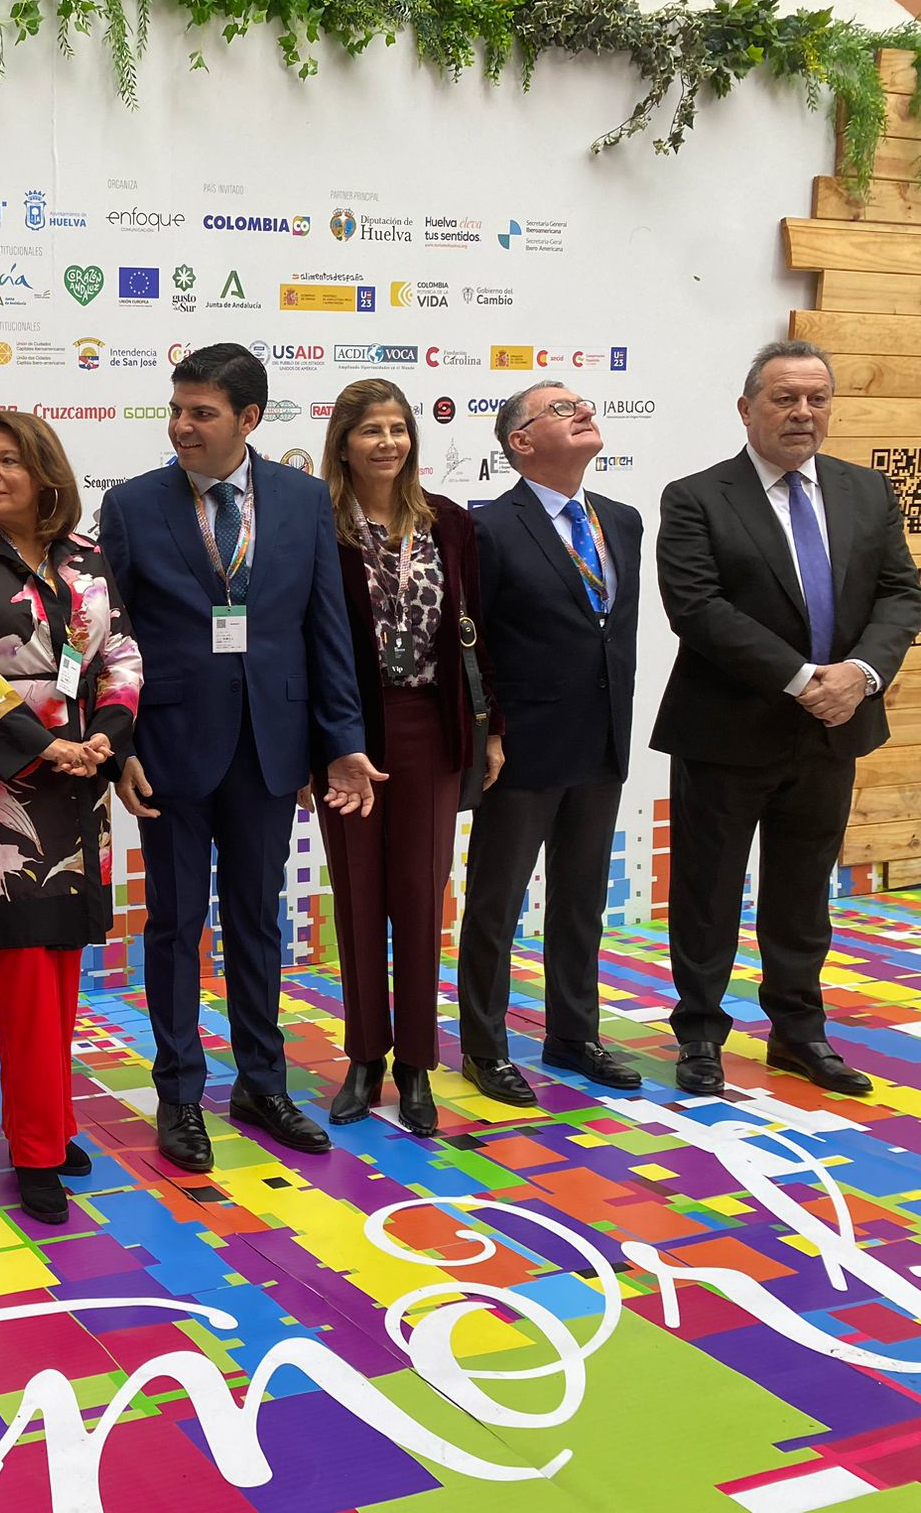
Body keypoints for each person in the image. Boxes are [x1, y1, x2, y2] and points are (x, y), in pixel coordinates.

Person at [98, 343, 383, 1168]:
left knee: (258, 922)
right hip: (170, 750)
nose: (181, 426)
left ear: (249, 419)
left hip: (270, 746)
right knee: (175, 925)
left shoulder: (302, 500)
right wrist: (119, 748)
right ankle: (179, 1095)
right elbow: (110, 639)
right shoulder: (132, 505)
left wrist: (341, 743)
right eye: (176, 410)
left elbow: (326, 630)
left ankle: (262, 1083)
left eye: (202, 413)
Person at [654, 340, 921, 1096]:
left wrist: (860, 675)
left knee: (804, 894)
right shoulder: (696, 497)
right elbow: (697, 608)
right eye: (784, 398)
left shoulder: (867, 490)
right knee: (708, 891)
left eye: (817, 399)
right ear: (747, 409)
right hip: (726, 731)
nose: (803, 413)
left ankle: (799, 1034)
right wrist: (805, 680)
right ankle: (700, 1034)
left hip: (835, 728)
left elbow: (902, 593)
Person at [0, 411, 141, 1221]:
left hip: (79, 787)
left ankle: (46, 1121)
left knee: (62, 970)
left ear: (46, 473)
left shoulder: (85, 556)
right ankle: (35, 1150)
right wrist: (44, 745)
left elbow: (119, 653)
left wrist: (105, 737)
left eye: (9, 459)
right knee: (22, 983)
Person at [312, 380, 501, 1137]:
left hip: (431, 725)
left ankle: (417, 1064)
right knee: (358, 898)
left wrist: (491, 731)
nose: (388, 442)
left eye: (398, 428)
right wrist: (320, 745)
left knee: (421, 899)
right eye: (371, 430)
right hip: (347, 733)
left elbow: (478, 631)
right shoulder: (319, 525)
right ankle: (364, 1057)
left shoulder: (448, 522)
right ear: (343, 444)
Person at [454, 383, 643, 1106]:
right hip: (522, 747)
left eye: (585, 403)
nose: (584, 411)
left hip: (602, 738)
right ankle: (485, 1047)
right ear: (521, 442)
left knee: (581, 900)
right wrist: (490, 733)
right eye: (562, 409)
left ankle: (573, 1034)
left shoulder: (620, 520)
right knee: (496, 904)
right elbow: (475, 647)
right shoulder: (488, 528)